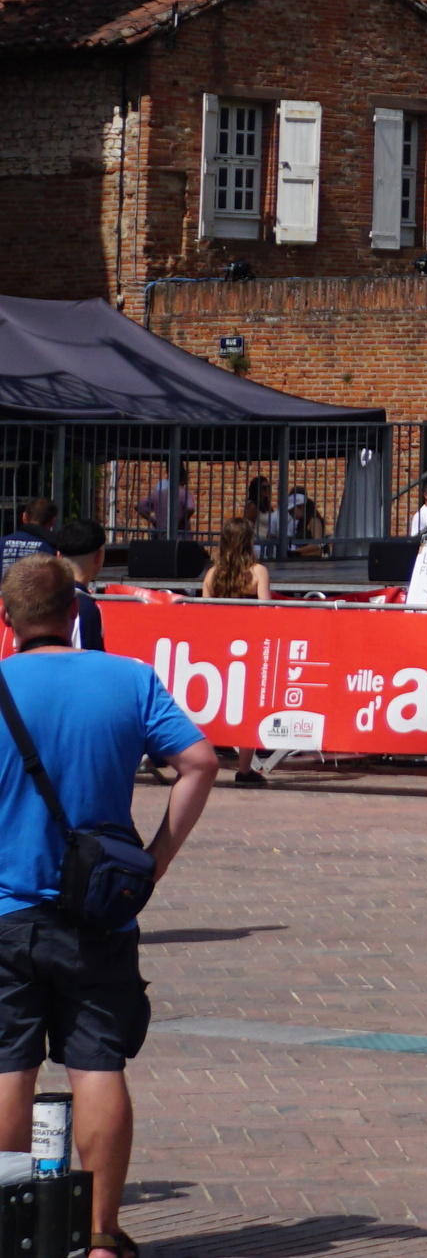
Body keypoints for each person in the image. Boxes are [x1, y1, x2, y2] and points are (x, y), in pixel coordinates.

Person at [0, 551, 221, 1258]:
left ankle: (10, 1230)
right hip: (100, 912)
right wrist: (155, 860)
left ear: (7, 620)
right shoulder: (128, 678)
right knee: (98, 1065)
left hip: (6, 908)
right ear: (76, 613)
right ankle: (99, 1234)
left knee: (8, 1066)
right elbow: (200, 761)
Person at [197, 526, 272, 790]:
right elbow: (265, 611)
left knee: (215, 703)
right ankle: (244, 768)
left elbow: (204, 614)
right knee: (247, 706)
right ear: (248, 542)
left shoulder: (212, 574)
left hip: (218, 646)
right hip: (248, 646)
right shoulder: (257, 572)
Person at [38, 527, 105, 655]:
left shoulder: (37, 596)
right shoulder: (83, 607)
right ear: (98, 557)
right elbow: (88, 664)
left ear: (58, 556)